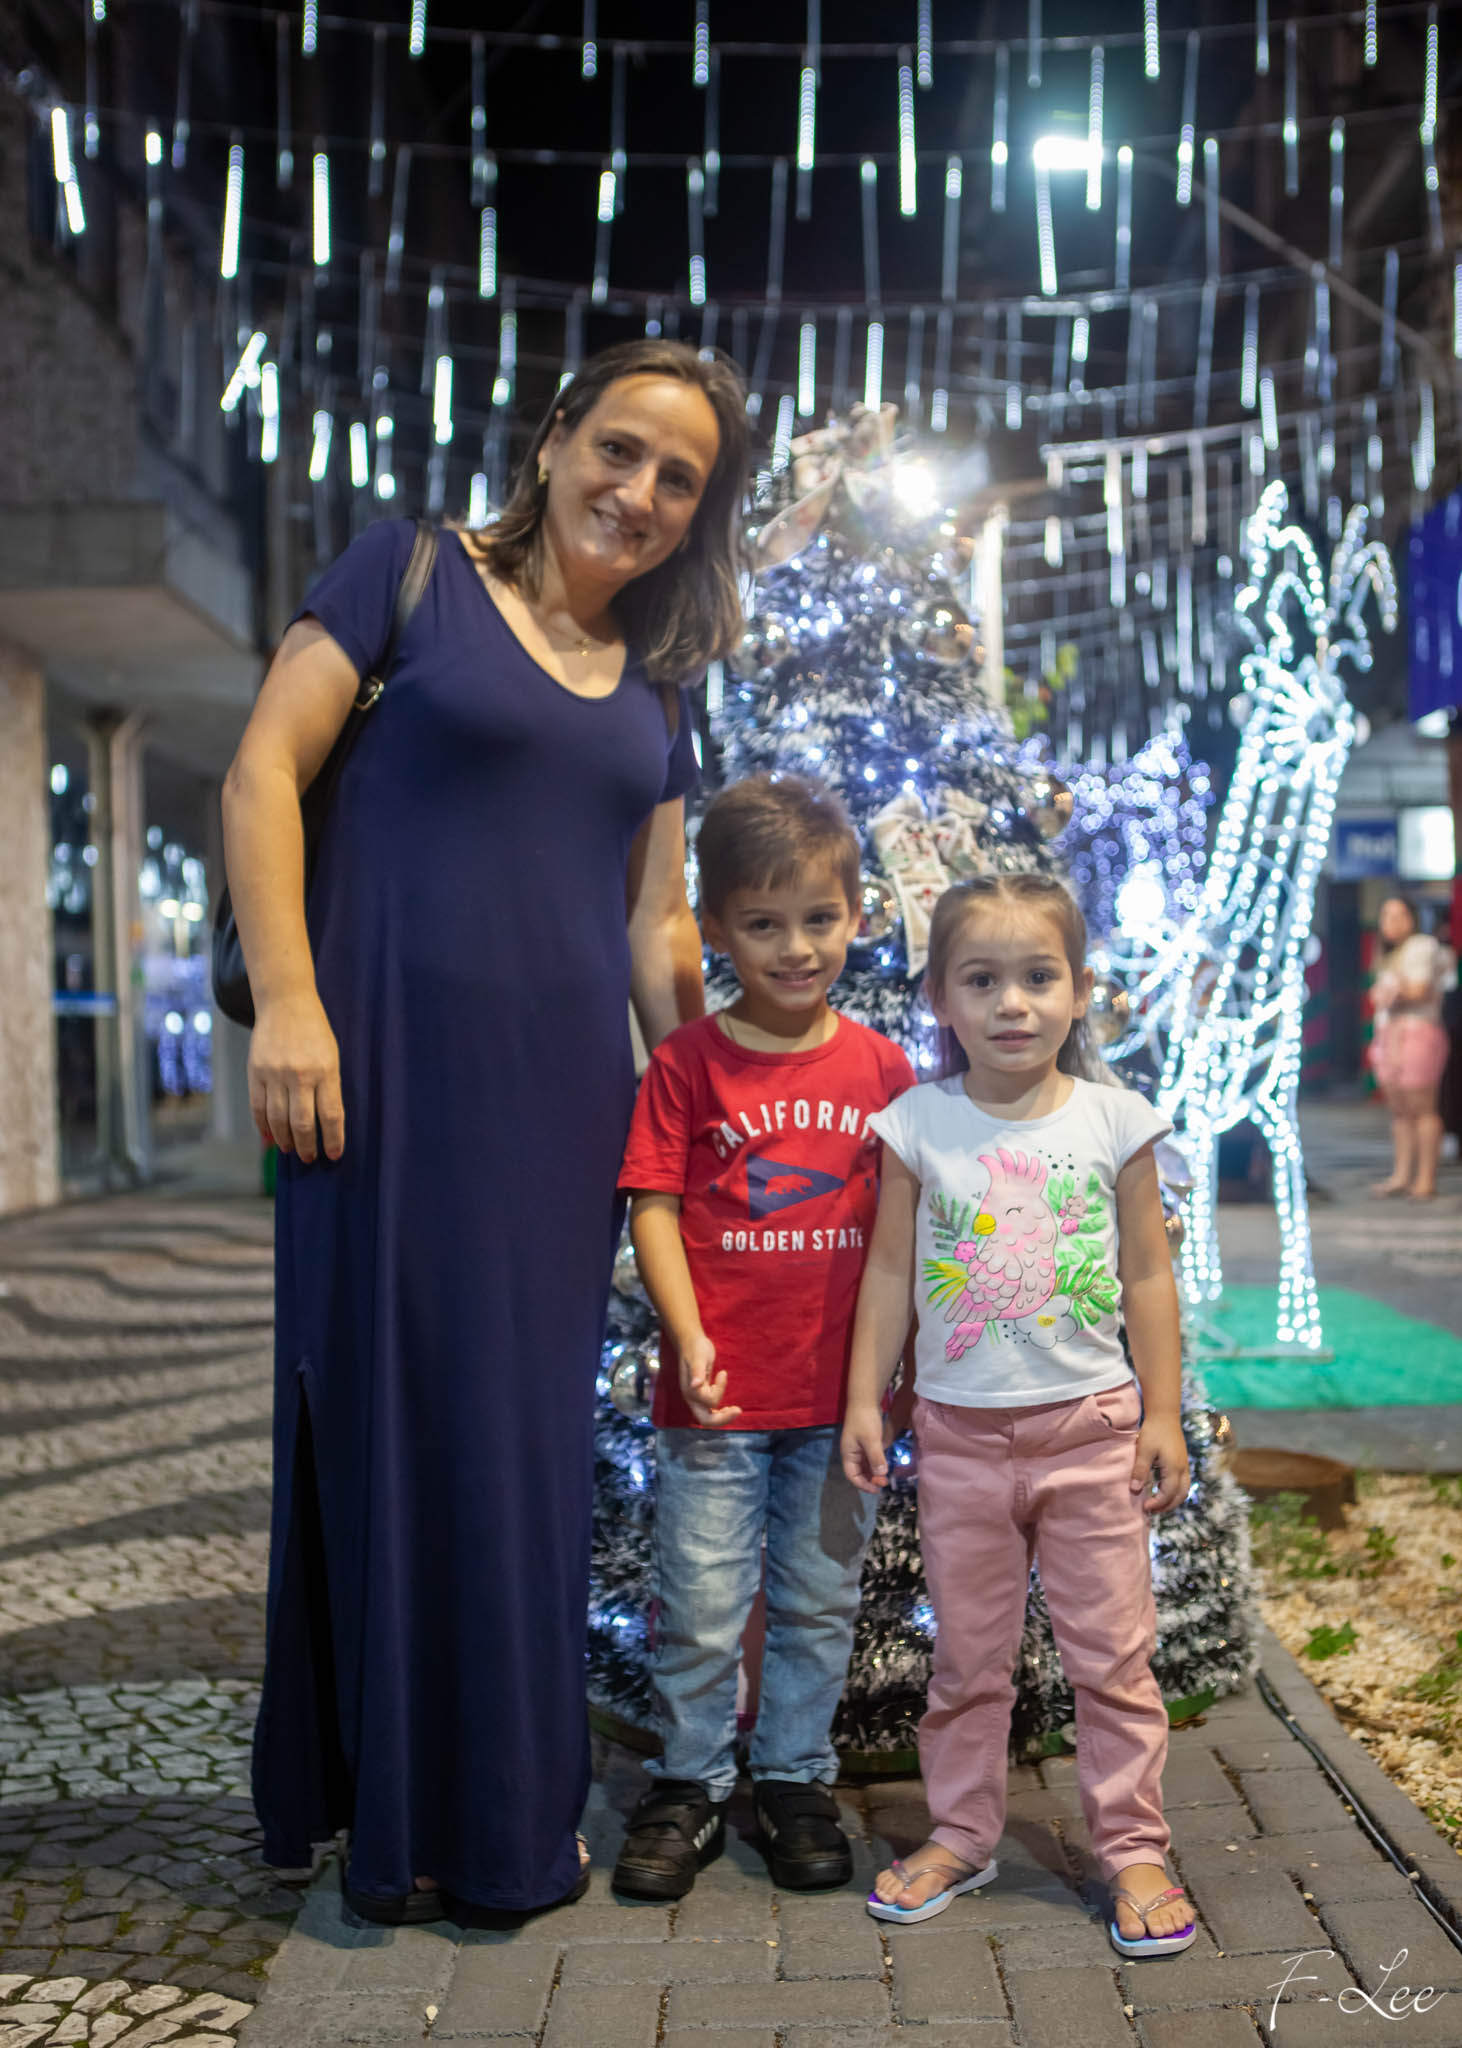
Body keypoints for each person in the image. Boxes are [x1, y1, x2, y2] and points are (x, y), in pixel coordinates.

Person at [221, 339, 750, 1922]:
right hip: (373, 1085)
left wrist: (707, 1100)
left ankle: (504, 1813)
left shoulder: (656, 679)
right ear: (556, 436)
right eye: (620, 448)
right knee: (385, 1425)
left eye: (678, 479)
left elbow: (656, 922)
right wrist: (290, 1001)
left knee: (518, 1455)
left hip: (557, 1119)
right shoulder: (406, 572)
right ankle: (392, 1815)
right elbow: (261, 774)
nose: (638, 492)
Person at [841, 872, 1198, 1961]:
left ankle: (1132, 1846)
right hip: (959, 1441)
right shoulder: (918, 1123)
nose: (1012, 1003)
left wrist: (1164, 1413)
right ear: (939, 998)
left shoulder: (1115, 1120)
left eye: (1039, 977)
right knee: (967, 1663)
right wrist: (864, 1397)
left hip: (1093, 1433)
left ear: (1080, 991)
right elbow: (889, 1269)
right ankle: (962, 1833)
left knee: (1113, 1658)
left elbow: (1148, 1273)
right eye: (982, 980)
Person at [611, 774, 916, 1900]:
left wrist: (892, 1375)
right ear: (716, 927)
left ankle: (793, 1778)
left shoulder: (883, 1069)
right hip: (717, 1403)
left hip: (839, 1405)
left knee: (818, 1603)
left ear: (858, 916)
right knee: (699, 1609)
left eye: (820, 919)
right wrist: (686, 1333)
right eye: (763, 924)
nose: (797, 948)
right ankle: (690, 1782)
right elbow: (652, 1205)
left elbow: (907, 1232)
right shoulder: (687, 1064)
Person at [1368, 894, 1456, 1202]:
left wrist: (1393, 993)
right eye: (1386, 916)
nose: (1391, 923)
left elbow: (1419, 990)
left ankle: (1425, 1180)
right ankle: (1402, 1175)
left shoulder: (1422, 946)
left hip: (1417, 1032)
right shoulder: (1388, 953)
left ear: (1413, 919)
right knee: (1399, 1110)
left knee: (1422, 1108)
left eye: (1399, 915)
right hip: (1389, 1034)